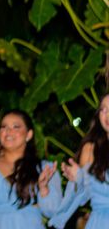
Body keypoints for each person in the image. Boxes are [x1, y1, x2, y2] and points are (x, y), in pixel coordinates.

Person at [0, 109, 61, 228]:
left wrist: (44, 189)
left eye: (16, 127)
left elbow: (53, 212)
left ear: (29, 135)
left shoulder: (44, 168)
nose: (8, 131)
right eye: (4, 127)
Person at [49, 93, 109, 229]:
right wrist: (78, 179)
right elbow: (83, 196)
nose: (107, 115)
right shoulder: (90, 148)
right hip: (100, 222)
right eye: (103, 110)